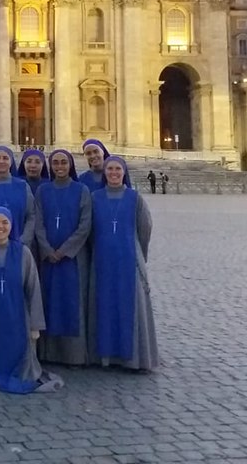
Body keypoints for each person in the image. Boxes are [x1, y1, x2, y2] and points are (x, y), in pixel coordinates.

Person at [0, 207, 62, 393]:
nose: (0, 227)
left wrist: (34, 327)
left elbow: (33, 290)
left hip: (17, 320)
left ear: (12, 226)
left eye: (5, 222)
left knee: (21, 363)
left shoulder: (23, 253)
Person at [88, 156, 158, 372]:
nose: (114, 173)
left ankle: (134, 358)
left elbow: (145, 228)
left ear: (124, 172)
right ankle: (106, 357)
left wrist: (139, 254)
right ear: (104, 172)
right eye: (110, 169)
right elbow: (88, 229)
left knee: (132, 305)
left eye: (118, 169)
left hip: (129, 259)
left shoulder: (135, 198)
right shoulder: (94, 197)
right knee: (104, 305)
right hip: (102, 260)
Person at [36, 149, 92, 366]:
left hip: (72, 258)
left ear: (70, 165)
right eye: (56, 163)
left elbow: (84, 225)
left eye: (63, 162)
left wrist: (65, 250)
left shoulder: (82, 190)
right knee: (48, 301)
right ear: (50, 166)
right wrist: (47, 249)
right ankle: (48, 353)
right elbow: (37, 221)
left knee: (72, 302)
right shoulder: (43, 190)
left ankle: (73, 355)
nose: (59, 166)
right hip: (48, 256)